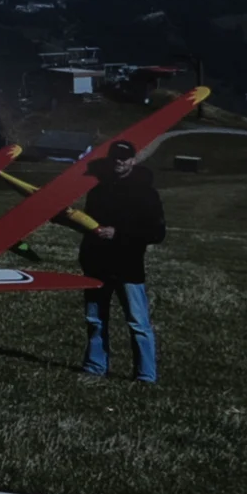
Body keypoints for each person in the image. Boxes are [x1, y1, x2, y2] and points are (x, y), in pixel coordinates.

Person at [69, 135, 169, 384]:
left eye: (124, 158)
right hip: (96, 265)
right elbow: (90, 225)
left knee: (137, 323)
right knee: (95, 320)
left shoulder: (147, 194)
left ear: (133, 161)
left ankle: (145, 375)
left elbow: (157, 233)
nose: (119, 162)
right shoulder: (98, 191)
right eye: (115, 157)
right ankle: (94, 367)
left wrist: (118, 233)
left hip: (129, 268)